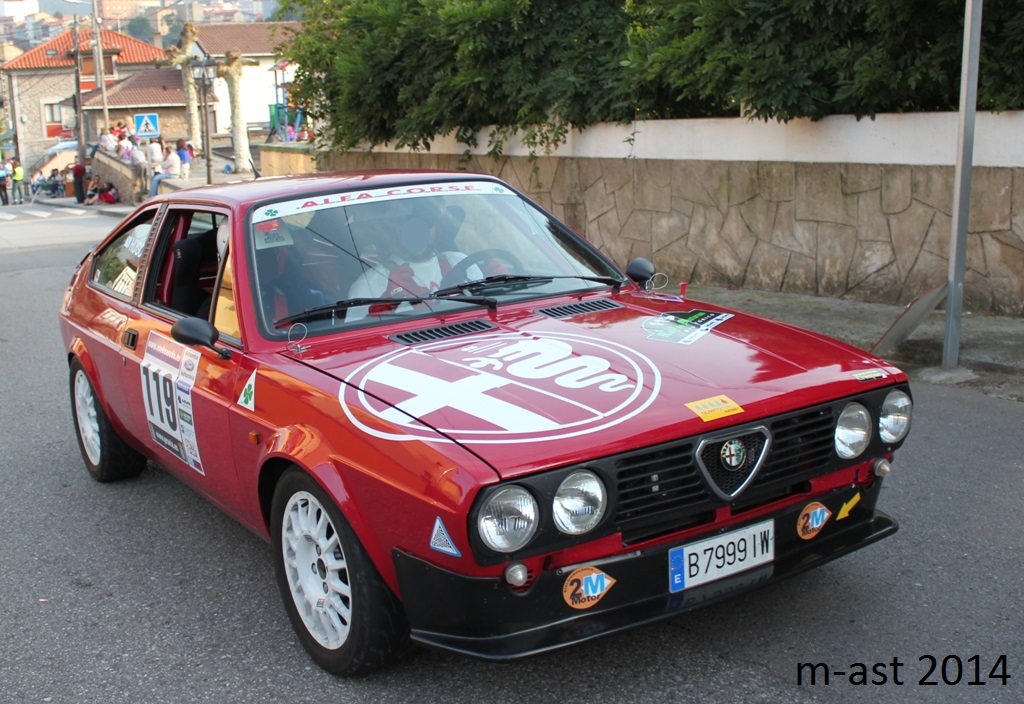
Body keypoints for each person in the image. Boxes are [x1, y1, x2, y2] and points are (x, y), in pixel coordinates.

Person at [346, 207, 484, 320]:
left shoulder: (461, 262)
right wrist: (388, 299)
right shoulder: (369, 284)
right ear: (391, 230)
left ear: (437, 227)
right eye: (406, 224)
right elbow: (357, 337)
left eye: (426, 222)